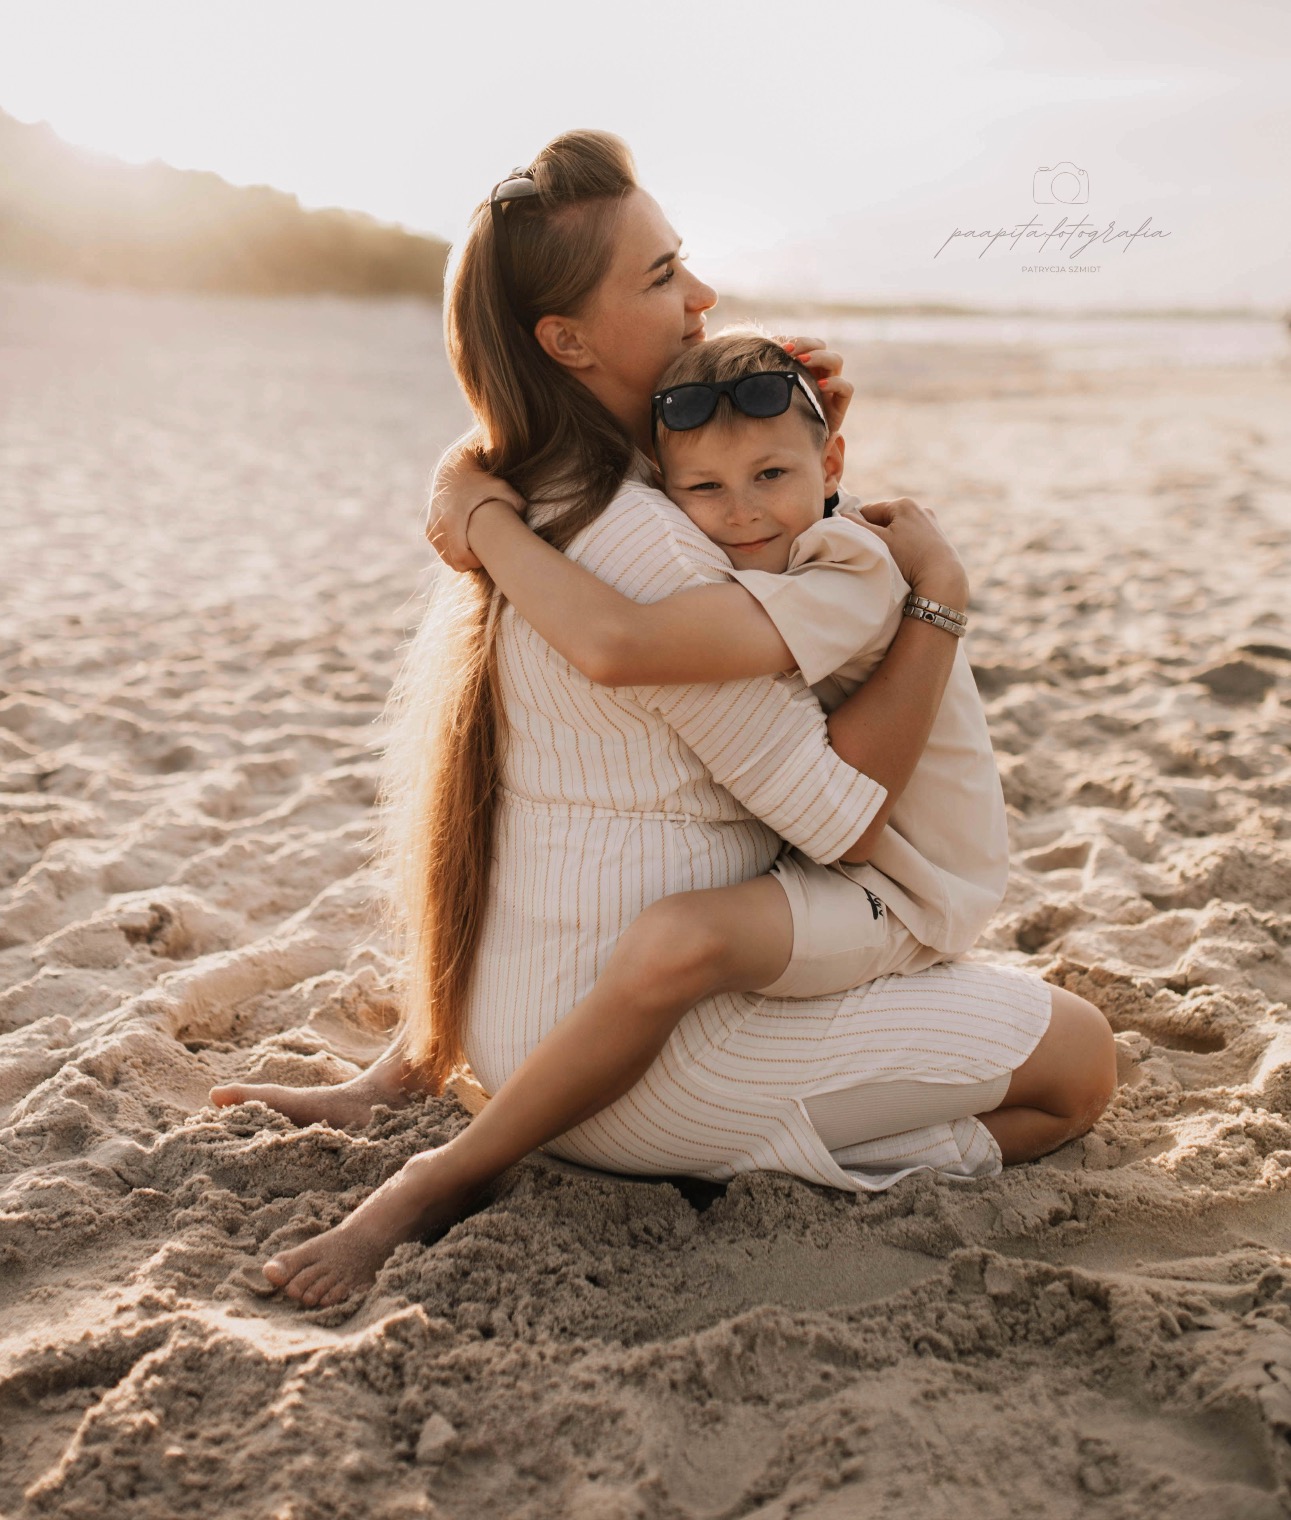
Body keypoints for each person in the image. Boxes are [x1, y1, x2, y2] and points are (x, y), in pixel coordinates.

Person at [211, 129, 1115, 1311]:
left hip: (512, 1022)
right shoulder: (646, 544)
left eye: (683, 262)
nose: (703, 296)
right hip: (639, 1070)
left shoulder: (538, 486)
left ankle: (415, 1072)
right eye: (658, 279)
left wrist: (801, 457)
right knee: (1080, 1061)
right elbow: (836, 813)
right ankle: (802, 1166)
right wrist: (936, 601)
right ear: (566, 341)